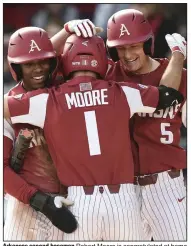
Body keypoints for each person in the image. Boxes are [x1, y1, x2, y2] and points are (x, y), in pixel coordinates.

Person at [4, 33, 185, 240]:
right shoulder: (121, 91)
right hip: (123, 202)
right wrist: (178, 55)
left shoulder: (47, 99)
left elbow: (5, 106)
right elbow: (168, 96)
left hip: (79, 202)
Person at [3, 20, 101, 241]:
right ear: (16, 68)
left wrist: (67, 31)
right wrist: (41, 202)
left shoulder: (64, 91)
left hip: (72, 202)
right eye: (29, 64)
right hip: (27, 207)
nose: (38, 69)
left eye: (43, 62)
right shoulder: (7, 108)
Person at [105, 9, 187, 240]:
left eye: (133, 46)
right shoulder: (106, 79)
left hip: (166, 188)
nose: (127, 54)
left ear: (147, 44)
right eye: (121, 47)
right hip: (121, 190)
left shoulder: (181, 76)